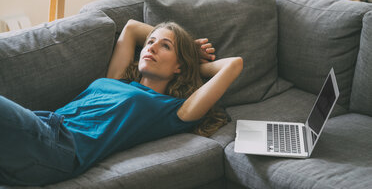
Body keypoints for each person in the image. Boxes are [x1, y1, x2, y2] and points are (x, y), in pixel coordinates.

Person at [0, 19, 243, 186]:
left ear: (179, 66)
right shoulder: (116, 80)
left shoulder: (172, 110)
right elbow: (132, 28)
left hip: (59, 147)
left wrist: (190, 57)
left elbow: (233, 65)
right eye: (150, 42)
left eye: (165, 46)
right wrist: (179, 47)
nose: (152, 47)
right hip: (39, 129)